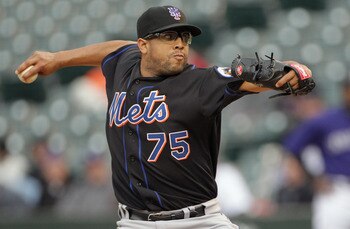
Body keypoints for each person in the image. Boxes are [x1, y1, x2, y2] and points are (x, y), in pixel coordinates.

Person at [16, 5, 312, 229]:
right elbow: (115, 48)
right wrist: (58, 59)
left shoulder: (200, 83)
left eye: (184, 37)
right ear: (143, 45)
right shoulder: (125, 63)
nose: (180, 44)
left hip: (196, 221)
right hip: (134, 223)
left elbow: (244, 79)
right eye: (169, 37)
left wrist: (285, 75)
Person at [282, 78, 350, 229]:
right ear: (344, 92)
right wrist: (311, 178)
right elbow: (292, 147)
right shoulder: (327, 120)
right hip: (337, 193)